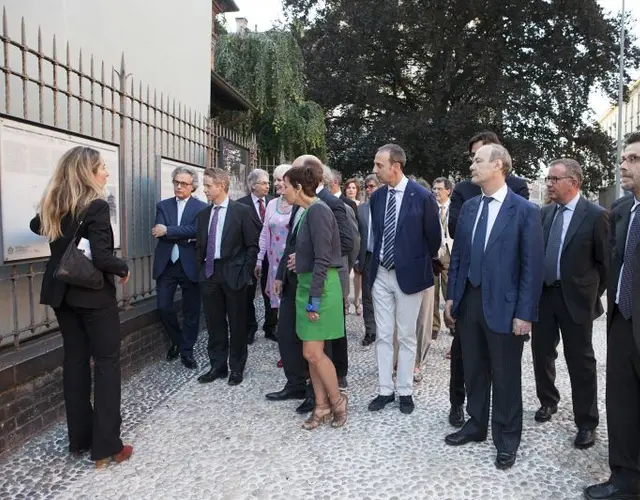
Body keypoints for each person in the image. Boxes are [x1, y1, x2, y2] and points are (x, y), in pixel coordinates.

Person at [30, 146, 132, 468]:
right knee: (106, 364)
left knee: (74, 362)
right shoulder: (96, 206)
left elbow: (36, 226)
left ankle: (80, 439)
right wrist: (122, 267)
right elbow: (102, 257)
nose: (106, 173)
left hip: (61, 295)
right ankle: (107, 447)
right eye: (102, 168)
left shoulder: (54, 203)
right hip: (92, 296)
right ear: (88, 172)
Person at [444, 143, 543, 470]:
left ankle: (507, 438)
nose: (472, 166)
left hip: (506, 306)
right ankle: (476, 424)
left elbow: (532, 267)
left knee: (505, 375)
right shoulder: (470, 208)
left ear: (498, 165)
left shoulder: (525, 211)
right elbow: (459, 257)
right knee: (473, 368)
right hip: (470, 301)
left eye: (478, 161)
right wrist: (451, 297)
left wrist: (525, 313)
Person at [531, 159, 609, 451]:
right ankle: (548, 401)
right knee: (541, 352)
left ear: (573, 183)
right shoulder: (545, 213)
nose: (549, 184)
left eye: (554, 179)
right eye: (548, 178)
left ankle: (586, 422)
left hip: (576, 300)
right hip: (545, 297)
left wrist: (589, 294)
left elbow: (606, 265)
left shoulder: (596, 216)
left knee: (581, 361)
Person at [585, 132, 640, 500]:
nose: (623, 165)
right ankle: (625, 479)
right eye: (624, 158)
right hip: (622, 322)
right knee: (621, 404)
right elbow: (609, 264)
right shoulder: (620, 211)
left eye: (634, 159)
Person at [367, 143, 441, 415]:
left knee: (407, 334)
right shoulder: (377, 197)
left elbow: (433, 239)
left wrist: (412, 259)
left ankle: (405, 390)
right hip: (381, 274)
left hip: (409, 275)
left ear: (395, 166)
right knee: (384, 334)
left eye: (379, 165)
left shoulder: (422, 196)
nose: (375, 170)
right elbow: (375, 235)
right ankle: (385, 390)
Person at [281, 163, 347, 429]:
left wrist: (314, 301)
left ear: (298, 187)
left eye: (286, 186)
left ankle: (337, 401)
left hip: (320, 290)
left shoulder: (319, 210)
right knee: (311, 354)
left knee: (312, 352)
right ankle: (321, 406)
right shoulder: (308, 211)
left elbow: (323, 259)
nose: (282, 190)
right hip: (306, 286)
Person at [196, 168, 260, 386]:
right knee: (214, 323)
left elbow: (252, 245)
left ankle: (237, 367)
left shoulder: (241, 212)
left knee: (237, 322)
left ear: (221, 186)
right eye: (204, 185)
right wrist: (201, 270)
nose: (205, 190)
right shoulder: (203, 215)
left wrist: (244, 272)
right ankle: (217, 365)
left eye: (208, 185)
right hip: (209, 273)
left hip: (234, 274)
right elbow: (200, 246)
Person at [151, 166, 207, 369]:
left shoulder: (201, 208)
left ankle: (187, 350)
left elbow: (197, 230)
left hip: (190, 264)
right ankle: (177, 340)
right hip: (167, 264)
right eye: (176, 182)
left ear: (193, 186)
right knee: (163, 306)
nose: (179, 186)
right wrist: (182, 234)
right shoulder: (163, 206)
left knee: (191, 310)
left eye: (183, 183)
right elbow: (158, 230)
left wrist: (169, 230)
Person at [255, 164, 294, 368]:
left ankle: (297, 351)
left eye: (280, 180)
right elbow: (264, 233)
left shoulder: (298, 204)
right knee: (280, 311)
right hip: (274, 266)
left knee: (292, 309)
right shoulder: (271, 204)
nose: (276, 183)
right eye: (275, 179)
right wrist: (259, 258)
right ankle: (286, 352)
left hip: (292, 265)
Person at [237, 169, 277, 344]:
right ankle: (250, 327)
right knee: (248, 293)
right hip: (250, 255)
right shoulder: (241, 204)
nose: (268, 186)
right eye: (263, 183)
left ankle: (271, 326)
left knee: (271, 292)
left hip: (271, 255)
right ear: (253, 185)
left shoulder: (274, 203)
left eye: (268, 182)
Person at [356, 174, 380, 346]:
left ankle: (384, 329)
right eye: (367, 187)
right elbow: (357, 236)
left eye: (372, 186)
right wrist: (357, 259)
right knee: (367, 296)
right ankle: (370, 330)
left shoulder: (386, 207)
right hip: (368, 256)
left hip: (384, 257)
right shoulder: (361, 209)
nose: (369, 190)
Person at [432, 177, 454, 341]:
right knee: (433, 292)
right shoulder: (431, 207)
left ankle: (452, 323)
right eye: (434, 189)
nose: (436, 192)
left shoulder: (456, 208)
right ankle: (434, 326)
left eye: (439, 189)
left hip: (451, 254)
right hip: (434, 254)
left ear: (448, 191)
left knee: (450, 291)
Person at [345, 177, 363, 315]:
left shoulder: (361, 206)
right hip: (346, 241)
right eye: (349, 187)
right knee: (344, 272)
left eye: (354, 188)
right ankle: (345, 301)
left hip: (358, 241)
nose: (351, 190)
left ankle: (357, 300)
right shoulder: (341, 203)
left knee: (358, 273)